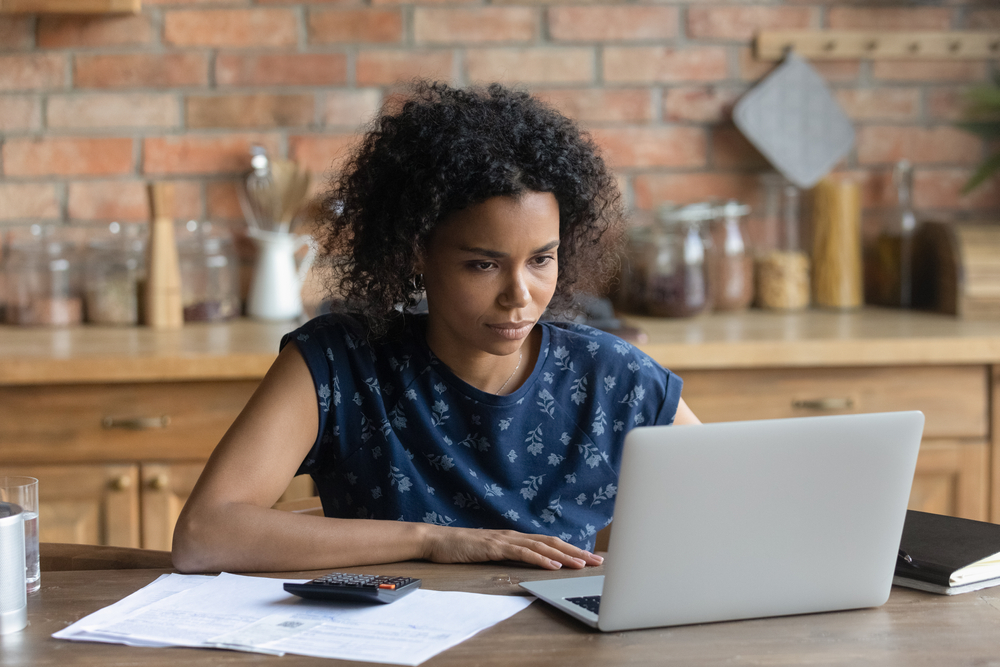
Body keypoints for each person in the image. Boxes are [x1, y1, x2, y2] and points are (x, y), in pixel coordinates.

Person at [172, 81, 700, 575]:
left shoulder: (613, 375)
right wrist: (432, 540)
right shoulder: (338, 363)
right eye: (483, 264)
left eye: (541, 260)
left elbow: (735, 506)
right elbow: (204, 534)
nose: (520, 294)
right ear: (415, 253)